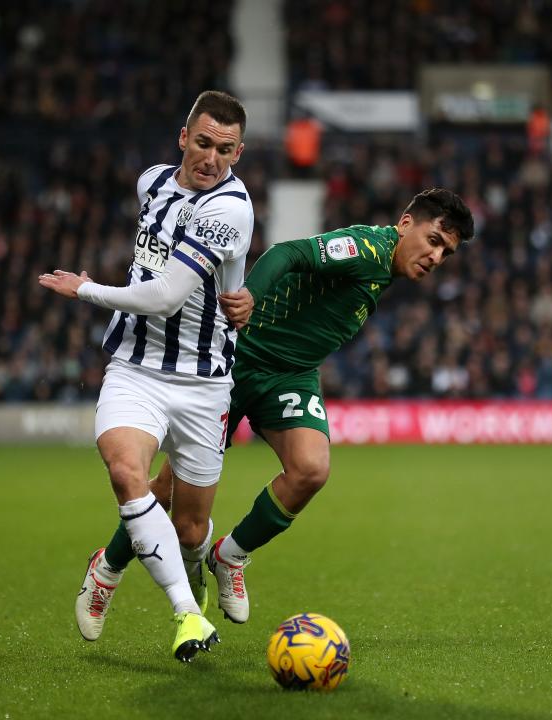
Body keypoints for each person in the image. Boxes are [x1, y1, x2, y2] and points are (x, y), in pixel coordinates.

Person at [96, 188, 474, 624]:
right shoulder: (367, 248)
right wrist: (251, 297)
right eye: (433, 241)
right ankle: (107, 569)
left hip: (292, 374)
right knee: (167, 489)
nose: (436, 257)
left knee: (310, 469)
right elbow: (288, 252)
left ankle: (229, 557)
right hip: (239, 363)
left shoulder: (386, 268)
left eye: (446, 253)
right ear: (406, 224)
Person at [38, 90, 253, 662]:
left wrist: (83, 288)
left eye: (225, 150)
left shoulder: (231, 208)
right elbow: (160, 268)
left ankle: (109, 565)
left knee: (189, 530)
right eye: (203, 143)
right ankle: (187, 614)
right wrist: (237, 291)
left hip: (205, 382)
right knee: (125, 470)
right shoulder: (150, 182)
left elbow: (165, 295)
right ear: (184, 137)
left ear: (238, 154)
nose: (211, 158)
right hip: (136, 369)